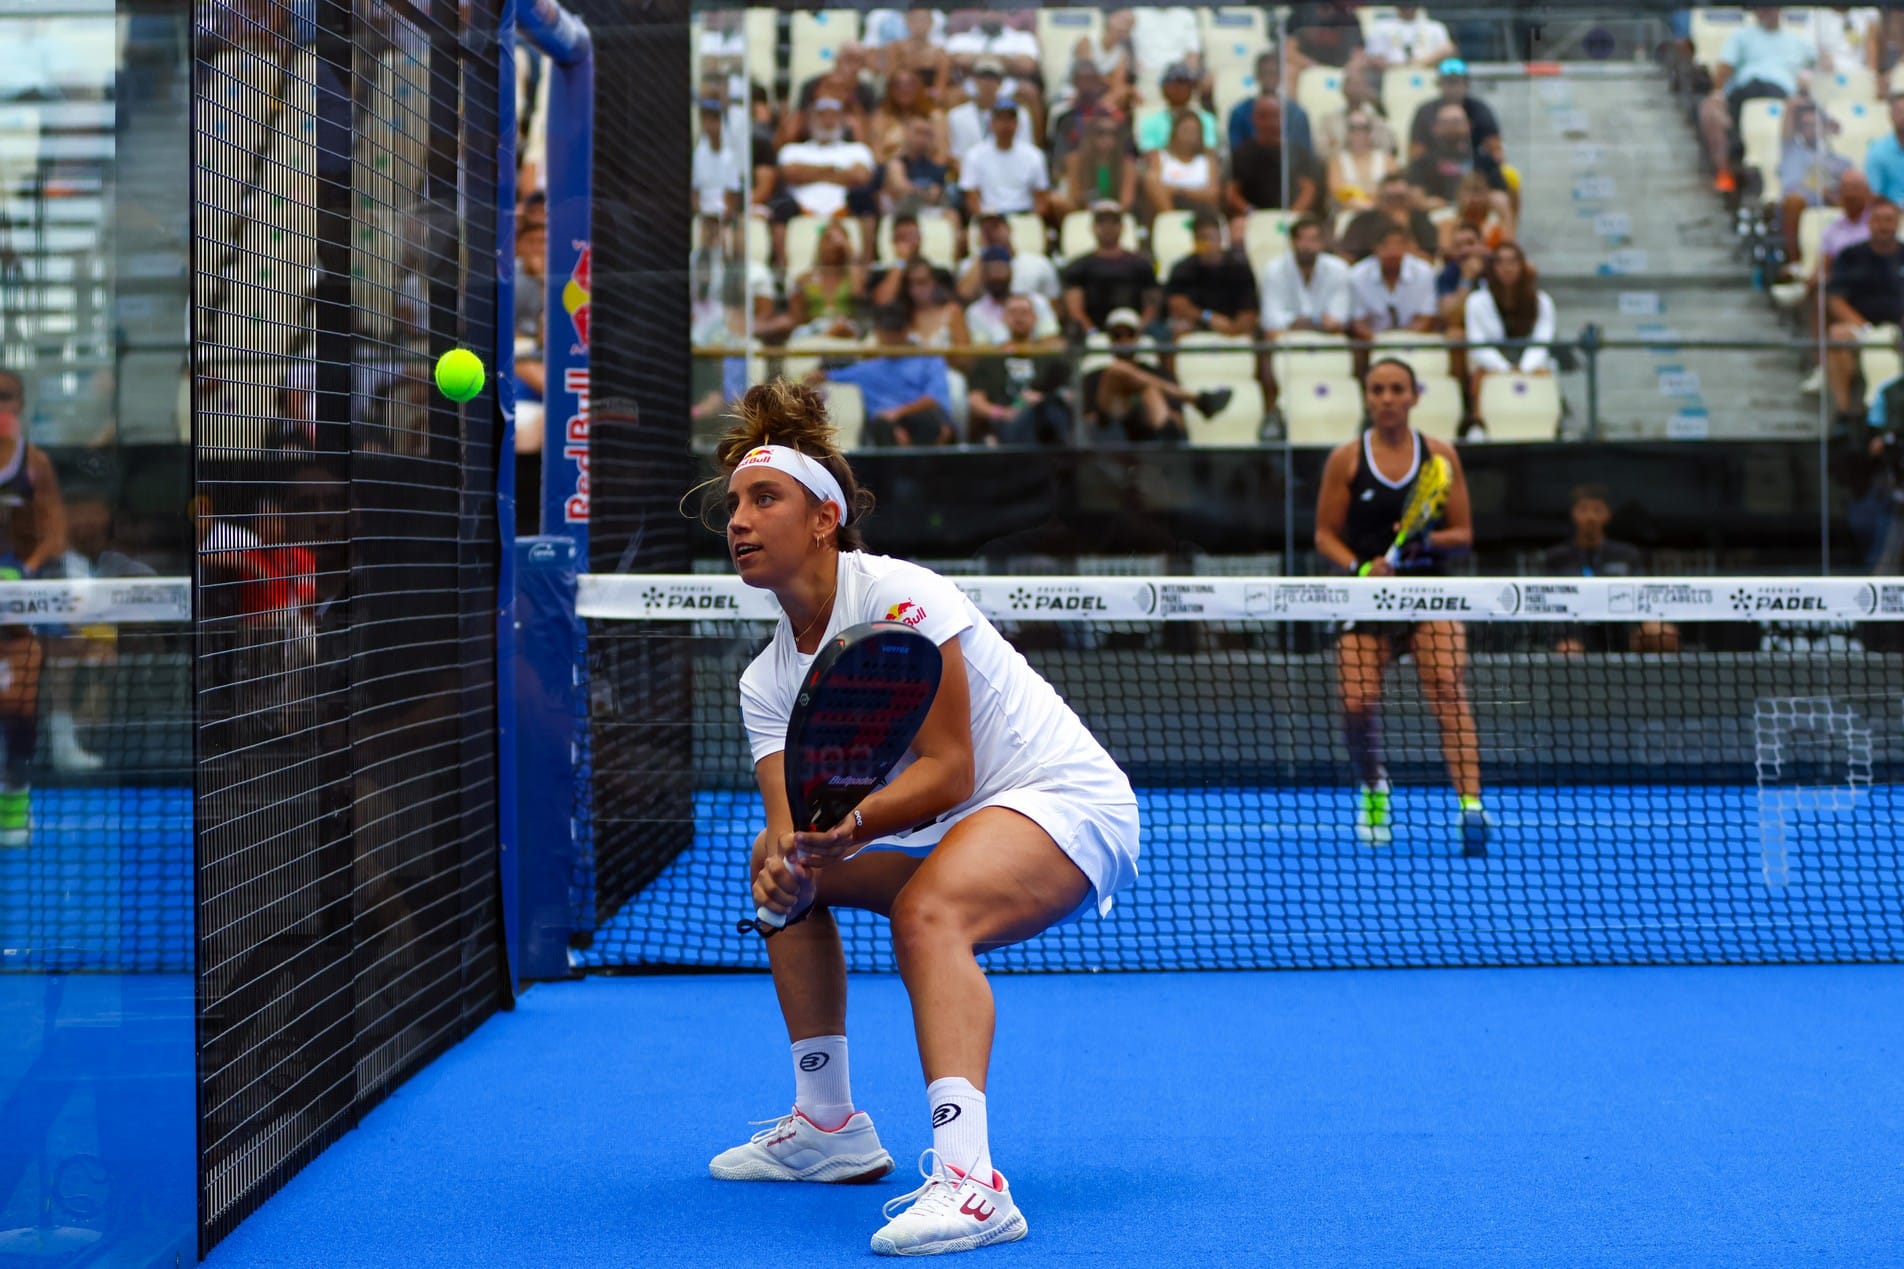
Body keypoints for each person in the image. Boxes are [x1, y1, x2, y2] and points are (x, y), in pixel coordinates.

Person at [705, 381, 1141, 1256]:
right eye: (733, 506)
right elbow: (793, 829)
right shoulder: (765, 680)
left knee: (927, 911)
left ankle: (973, 1181)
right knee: (773, 868)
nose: (739, 521)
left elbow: (952, 770)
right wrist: (796, 857)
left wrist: (852, 826)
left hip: (1062, 801)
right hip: (956, 822)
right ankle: (828, 1125)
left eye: (765, 498)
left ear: (824, 517)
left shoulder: (903, 597)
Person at [1312, 358, 1487, 856]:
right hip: (1367, 596)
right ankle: (1374, 790)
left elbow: (1464, 536)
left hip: (1428, 594)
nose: (1387, 398)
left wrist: (1425, 542)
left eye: (1397, 389)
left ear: (1413, 396)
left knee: (1448, 690)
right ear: (1367, 397)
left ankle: (1471, 806)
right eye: (1378, 389)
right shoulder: (1346, 459)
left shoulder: (1440, 456)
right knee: (1356, 704)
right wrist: (1360, 570)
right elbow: (1326, 535)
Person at [1540, 483, 1681, 656]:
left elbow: (1645, 596)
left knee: (1662, 635)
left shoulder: (1627, 555)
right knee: (1567, 651)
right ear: (1574, 514)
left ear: (1608, 514)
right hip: (1576, 633)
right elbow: (1547, 604)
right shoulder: (1556, 558)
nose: (1590, 517)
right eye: (1583, 509)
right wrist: (1561, 639)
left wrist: (1650, 622)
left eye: (1597, 510)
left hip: (1621, 631)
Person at [1700, 6, 1817, 195]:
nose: (1766, 12)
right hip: (1744, 89)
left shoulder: (1798, 41)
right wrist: (1717, 92)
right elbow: (1724, 67)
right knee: (1710, 109)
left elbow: (1820, 67)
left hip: (1781, 92)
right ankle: (1725, 169)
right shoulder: (1741, 36)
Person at [1081, 307, 1230, 442]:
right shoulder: (1095, 376)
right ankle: (1196, 399)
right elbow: (1088, 420)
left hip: (1147, 430)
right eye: (1117, 335)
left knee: (1149, 388)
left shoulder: (1157, 373)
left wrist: (1144, 412)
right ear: (1110, 340)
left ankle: (1195, 406)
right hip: (1110, 428)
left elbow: (1178, 420)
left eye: (1129, 334)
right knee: (1116, 371)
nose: (1123, 341)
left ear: (1138, 337)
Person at [816, 304, 956, 447]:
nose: (891, 339)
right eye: (886, 333)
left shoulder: (929, 360)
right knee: (881, 425)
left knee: (930, 424)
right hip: (885, 426)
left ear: (905, 331)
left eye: (895, 332)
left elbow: (934, 399)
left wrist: (897, 413)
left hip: (922, 420)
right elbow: (826, 376)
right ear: (879, 333)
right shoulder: (868, 368)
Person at [1258, 216, 1350, 424]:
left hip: (1322, 341)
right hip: (1287, 342)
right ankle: (1273, 414)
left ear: (1322, 242)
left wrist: (1294, 322)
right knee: (1267, 344)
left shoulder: (1339, 269)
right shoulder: (1274, 270)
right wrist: (1318, 322)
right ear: (1292, 242)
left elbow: (1337, 322)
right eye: (1303, 239)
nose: (1308, 246)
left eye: (1314, 239)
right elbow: (1271, 324)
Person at [1825, 198, 1904, 425]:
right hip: (1860, 328)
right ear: (1869, 223)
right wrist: (1865, 328)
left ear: (1897, 223)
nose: (1883, 226)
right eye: (1878, 220)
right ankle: (1844, 413)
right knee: (1837, 335)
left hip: (1900, 329)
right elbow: (1835, 299)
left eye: (1889, 220)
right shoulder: (1850, 255)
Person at [966, 294, 1073, 445]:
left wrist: (1041, 399)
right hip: (1008, 420)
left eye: (1024, 313)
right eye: (1013, 313)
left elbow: (1069, 393)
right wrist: (1004, 413)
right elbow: (976, 400)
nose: (1019, 318)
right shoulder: (990, 358)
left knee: (1052, 409)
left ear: (1035, 318)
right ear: (1004, 318)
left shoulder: (1050, 358)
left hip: (1045, 416)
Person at [1464, 242, 1557, 405]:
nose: (1507, 268)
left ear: (1522, 266)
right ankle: (1479, 424)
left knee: (1544, 373)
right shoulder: (1476, 301)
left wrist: (1525, 368)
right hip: (1492, 359)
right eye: (1501, 263)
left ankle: (1549, 423)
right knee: (1481, 375)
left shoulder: (1542, 301)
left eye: (1512, 262)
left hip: (1530, 359)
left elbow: (1542, 340)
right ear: (1492, 267)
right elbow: (1478, 342)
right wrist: (1505, 369)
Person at [1224, 95, 1322, 236]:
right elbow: (1232, 193)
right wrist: (1251, 212)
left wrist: (1291, 215)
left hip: (1290, 217)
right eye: (1263, 116)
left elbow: (1308, 190)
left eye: (1274, 116)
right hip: (1252, 219)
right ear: (1254, 119)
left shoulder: (1297, 152)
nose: (1269, 122)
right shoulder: (1241, 153)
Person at [1060, 200, 1159, 336]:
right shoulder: (1078, 267)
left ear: (1122, 227)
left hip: (1135, 331)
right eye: (1102, 223)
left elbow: (1151, 305)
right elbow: (1075, 308)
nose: (1108, 227)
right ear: (1093, 227)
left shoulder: (1141, 264)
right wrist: (1092, 332)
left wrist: (1137, 331)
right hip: (1093, 333)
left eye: (1114, 222)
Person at [1162, 210, 1259, 338]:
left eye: (1212, 238)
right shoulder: (1183, 268)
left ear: (1220, 238)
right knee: (1178, 327)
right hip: (1199, 323)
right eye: (1202, 239)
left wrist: (1233, 328)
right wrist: (1209, 317)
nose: (1208, 244)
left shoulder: (1239, 268)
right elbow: (1177, 304)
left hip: (1232, 323)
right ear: (1195, 241)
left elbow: (1249, 309)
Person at [1349, 224, 1440, 345]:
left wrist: (1399, 342)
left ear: (1407, 246)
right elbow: (1359, 323)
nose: (1392, 251)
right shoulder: (1358, 274)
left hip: (1414, 342)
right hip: (1372, 343)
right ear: (1375, 247)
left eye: (1398, 244)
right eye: (1385, 245)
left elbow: (1425, 318)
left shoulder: (1424, 271)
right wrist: (1380, 343)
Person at [959, 101, 1051, 220]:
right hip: (990, 217)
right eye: (1000, 119)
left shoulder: (1034, 155)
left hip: (1024, 214)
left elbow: (1041, 198)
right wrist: (983, 217)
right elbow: (971, 197)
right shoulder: (974, 155)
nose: (1005, 125)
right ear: (991, 123)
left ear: (1017, 123)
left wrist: (1031, 221)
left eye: (1010, 120)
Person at [955, 211, 1061, 305]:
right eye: (985, 229)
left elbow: (1054, 304)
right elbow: (964, 296)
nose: (990, 233)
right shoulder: (969, 265)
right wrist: (983, 255)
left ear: (1009, 229)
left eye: (995, 227)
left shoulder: (1038, 263)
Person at [965, 246, 1062, 344]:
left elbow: (1052, 343)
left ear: (1011, 272)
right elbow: (982, 352)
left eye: (1001, 271)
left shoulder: (1037, 302)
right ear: (983, 275)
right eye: (991, 272)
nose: (996, 277)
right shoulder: (976, 312)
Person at [1224, 51, 1314, 156]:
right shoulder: (1240, 112)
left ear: (1280, 76)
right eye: (1265, 73)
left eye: (1274, 73)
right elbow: (1236, 151)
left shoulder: (1297, 114)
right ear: (1257, 75)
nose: (1270, 78)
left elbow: (1304, 153)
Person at [788, 221, 867, 339]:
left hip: (846, 327)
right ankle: (826, 335)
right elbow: (796, 317)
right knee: (800, 334)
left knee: (848, 329)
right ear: (820, 244)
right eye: (828, 239)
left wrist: (848, 250)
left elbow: (857, 292)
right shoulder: (805, 278)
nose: (833, 245)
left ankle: (827, 336)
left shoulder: (853, 276)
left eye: (839, 240)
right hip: (814, 327)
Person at [1052, 111, 1138, 219]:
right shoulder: (1074, 160)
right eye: (1101, 133)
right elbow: (1076, 197)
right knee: (1055, 200)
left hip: (1115, 216)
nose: (1107, 138)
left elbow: (1126, 202)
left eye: (1113, 133)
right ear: (1090, 135)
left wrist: (1106, 214)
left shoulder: (1127, 164)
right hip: (1082, 212)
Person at [1338, 172, 1440, 261]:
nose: (1395, 204)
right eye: (1390, 198)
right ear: (1379, 199)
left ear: (1409, 199)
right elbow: (1346, 257)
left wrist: (1405, 230)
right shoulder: (1363, 221)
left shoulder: (1420, 219)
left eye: (1400, 198)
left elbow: (1430, 260)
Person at [1142, 109, 1223, 216]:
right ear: (1174, 132)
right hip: (1168, 206)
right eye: (1185, 130)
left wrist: (1178, 191)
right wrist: (1195, 192)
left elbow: (1213, 193)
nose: (1189, 136)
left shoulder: (1207, 160)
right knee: (1150, 179)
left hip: (1201, 209)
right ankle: (1172, 220)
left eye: (1194, 132)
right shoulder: (1160, 157)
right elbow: (1154, 185)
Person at [1135, 62, 1216, 155]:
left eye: (1184, 82)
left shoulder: (1207, 120)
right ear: (1163, 88)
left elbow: (1209, 155)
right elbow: (1150, 157)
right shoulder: (1149, 122)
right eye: (1173, 82)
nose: (1179, 88)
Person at [1327, 109, 1397, 211]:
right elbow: (1336, 191)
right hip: (1349, 213)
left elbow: (1394, 189)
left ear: (1370, 132)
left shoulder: (1387, 160)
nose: (1358, 134)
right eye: (1353, 129)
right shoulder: (1337, 162)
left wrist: (1372, 201)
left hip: (1383, 212)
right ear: (1347, 133)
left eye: (1363, 129)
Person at [1364, 5, 1456, 70]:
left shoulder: (1435, 27)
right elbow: (1374, 57)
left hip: (1428, 72)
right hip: (1393, 76)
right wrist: (1402, 68)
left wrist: (1419, 64)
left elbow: (1448, 50)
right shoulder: (1380, 27)